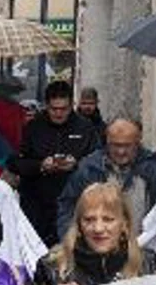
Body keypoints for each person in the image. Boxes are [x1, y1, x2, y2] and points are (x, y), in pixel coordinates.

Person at [12, 80, 100, 245]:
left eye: (64, 109)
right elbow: (16, 163)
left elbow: (98, 164)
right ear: (46, 105)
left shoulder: (85, 128)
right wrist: (41, 166)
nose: (59, 114)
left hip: (73, 206)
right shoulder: (33, 128)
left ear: (71, 105)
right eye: (54, 109)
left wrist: (77, 165)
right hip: (37, 206)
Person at [55, 117, 156, 235]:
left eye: (127, 145)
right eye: (115, 145)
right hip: (96, 247)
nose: (121, 152)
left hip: (143, 248)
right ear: (107, 141)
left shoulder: (155, 168)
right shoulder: (89, 168)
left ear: (138, 141)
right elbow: (68, 207)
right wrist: (70, 240)